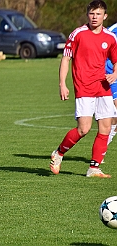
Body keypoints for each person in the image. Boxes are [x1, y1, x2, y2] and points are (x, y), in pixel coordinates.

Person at [50, 0, 117, 178]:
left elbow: (116, 59)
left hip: (103, 87)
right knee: (83, 129)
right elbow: (66, 58)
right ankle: (59, 153)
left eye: (98, 14)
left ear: (105, 16)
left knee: (106, 127)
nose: (95, 17)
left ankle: (94, 168)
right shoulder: (78, 34)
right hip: (84, 87)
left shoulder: (110, 37)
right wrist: (62, 84)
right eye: (92, 14)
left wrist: (115, 74)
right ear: (87, 15)